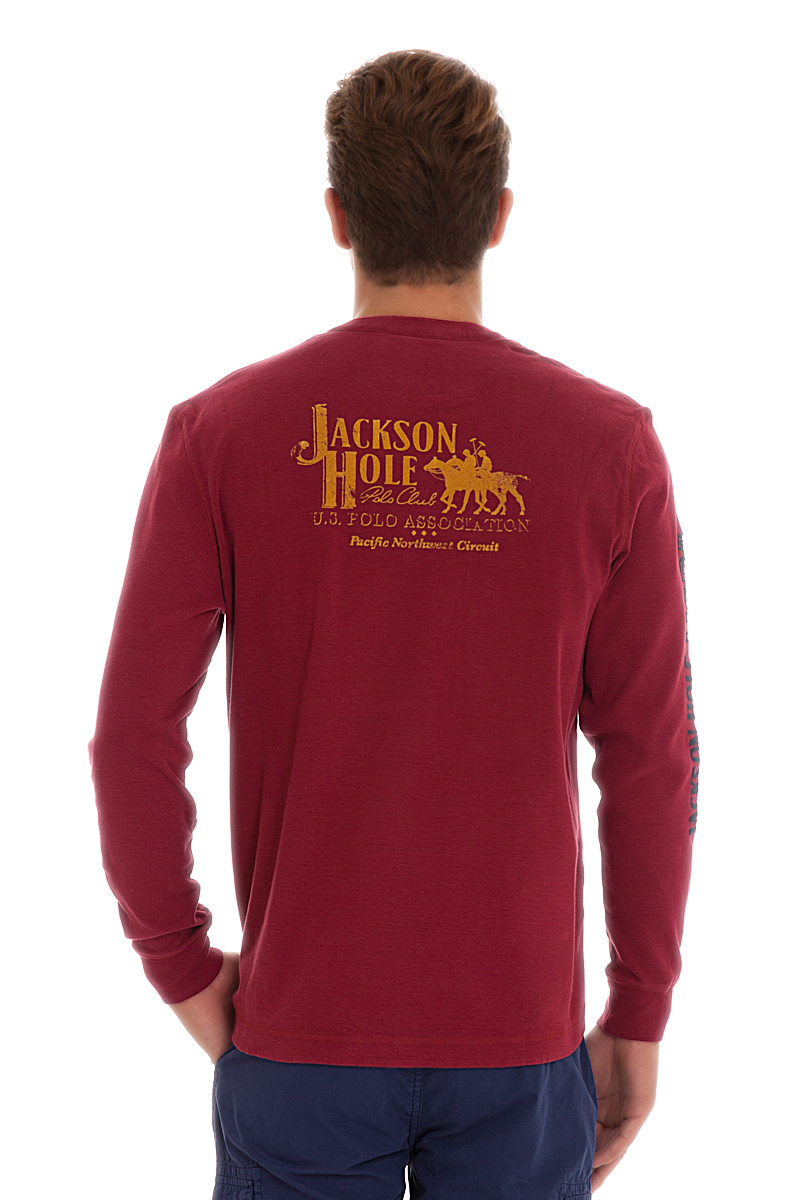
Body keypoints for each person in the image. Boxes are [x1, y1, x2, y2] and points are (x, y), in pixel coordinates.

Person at [88, 48, 699, 1198]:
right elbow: (651, 755)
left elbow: (130, 737)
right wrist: (639, 1005)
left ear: (337, 217)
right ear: (498, 217)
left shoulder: (223, 434)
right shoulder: (608, 447)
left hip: (300, 1039)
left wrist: (182, 968)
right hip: (518, 1044)